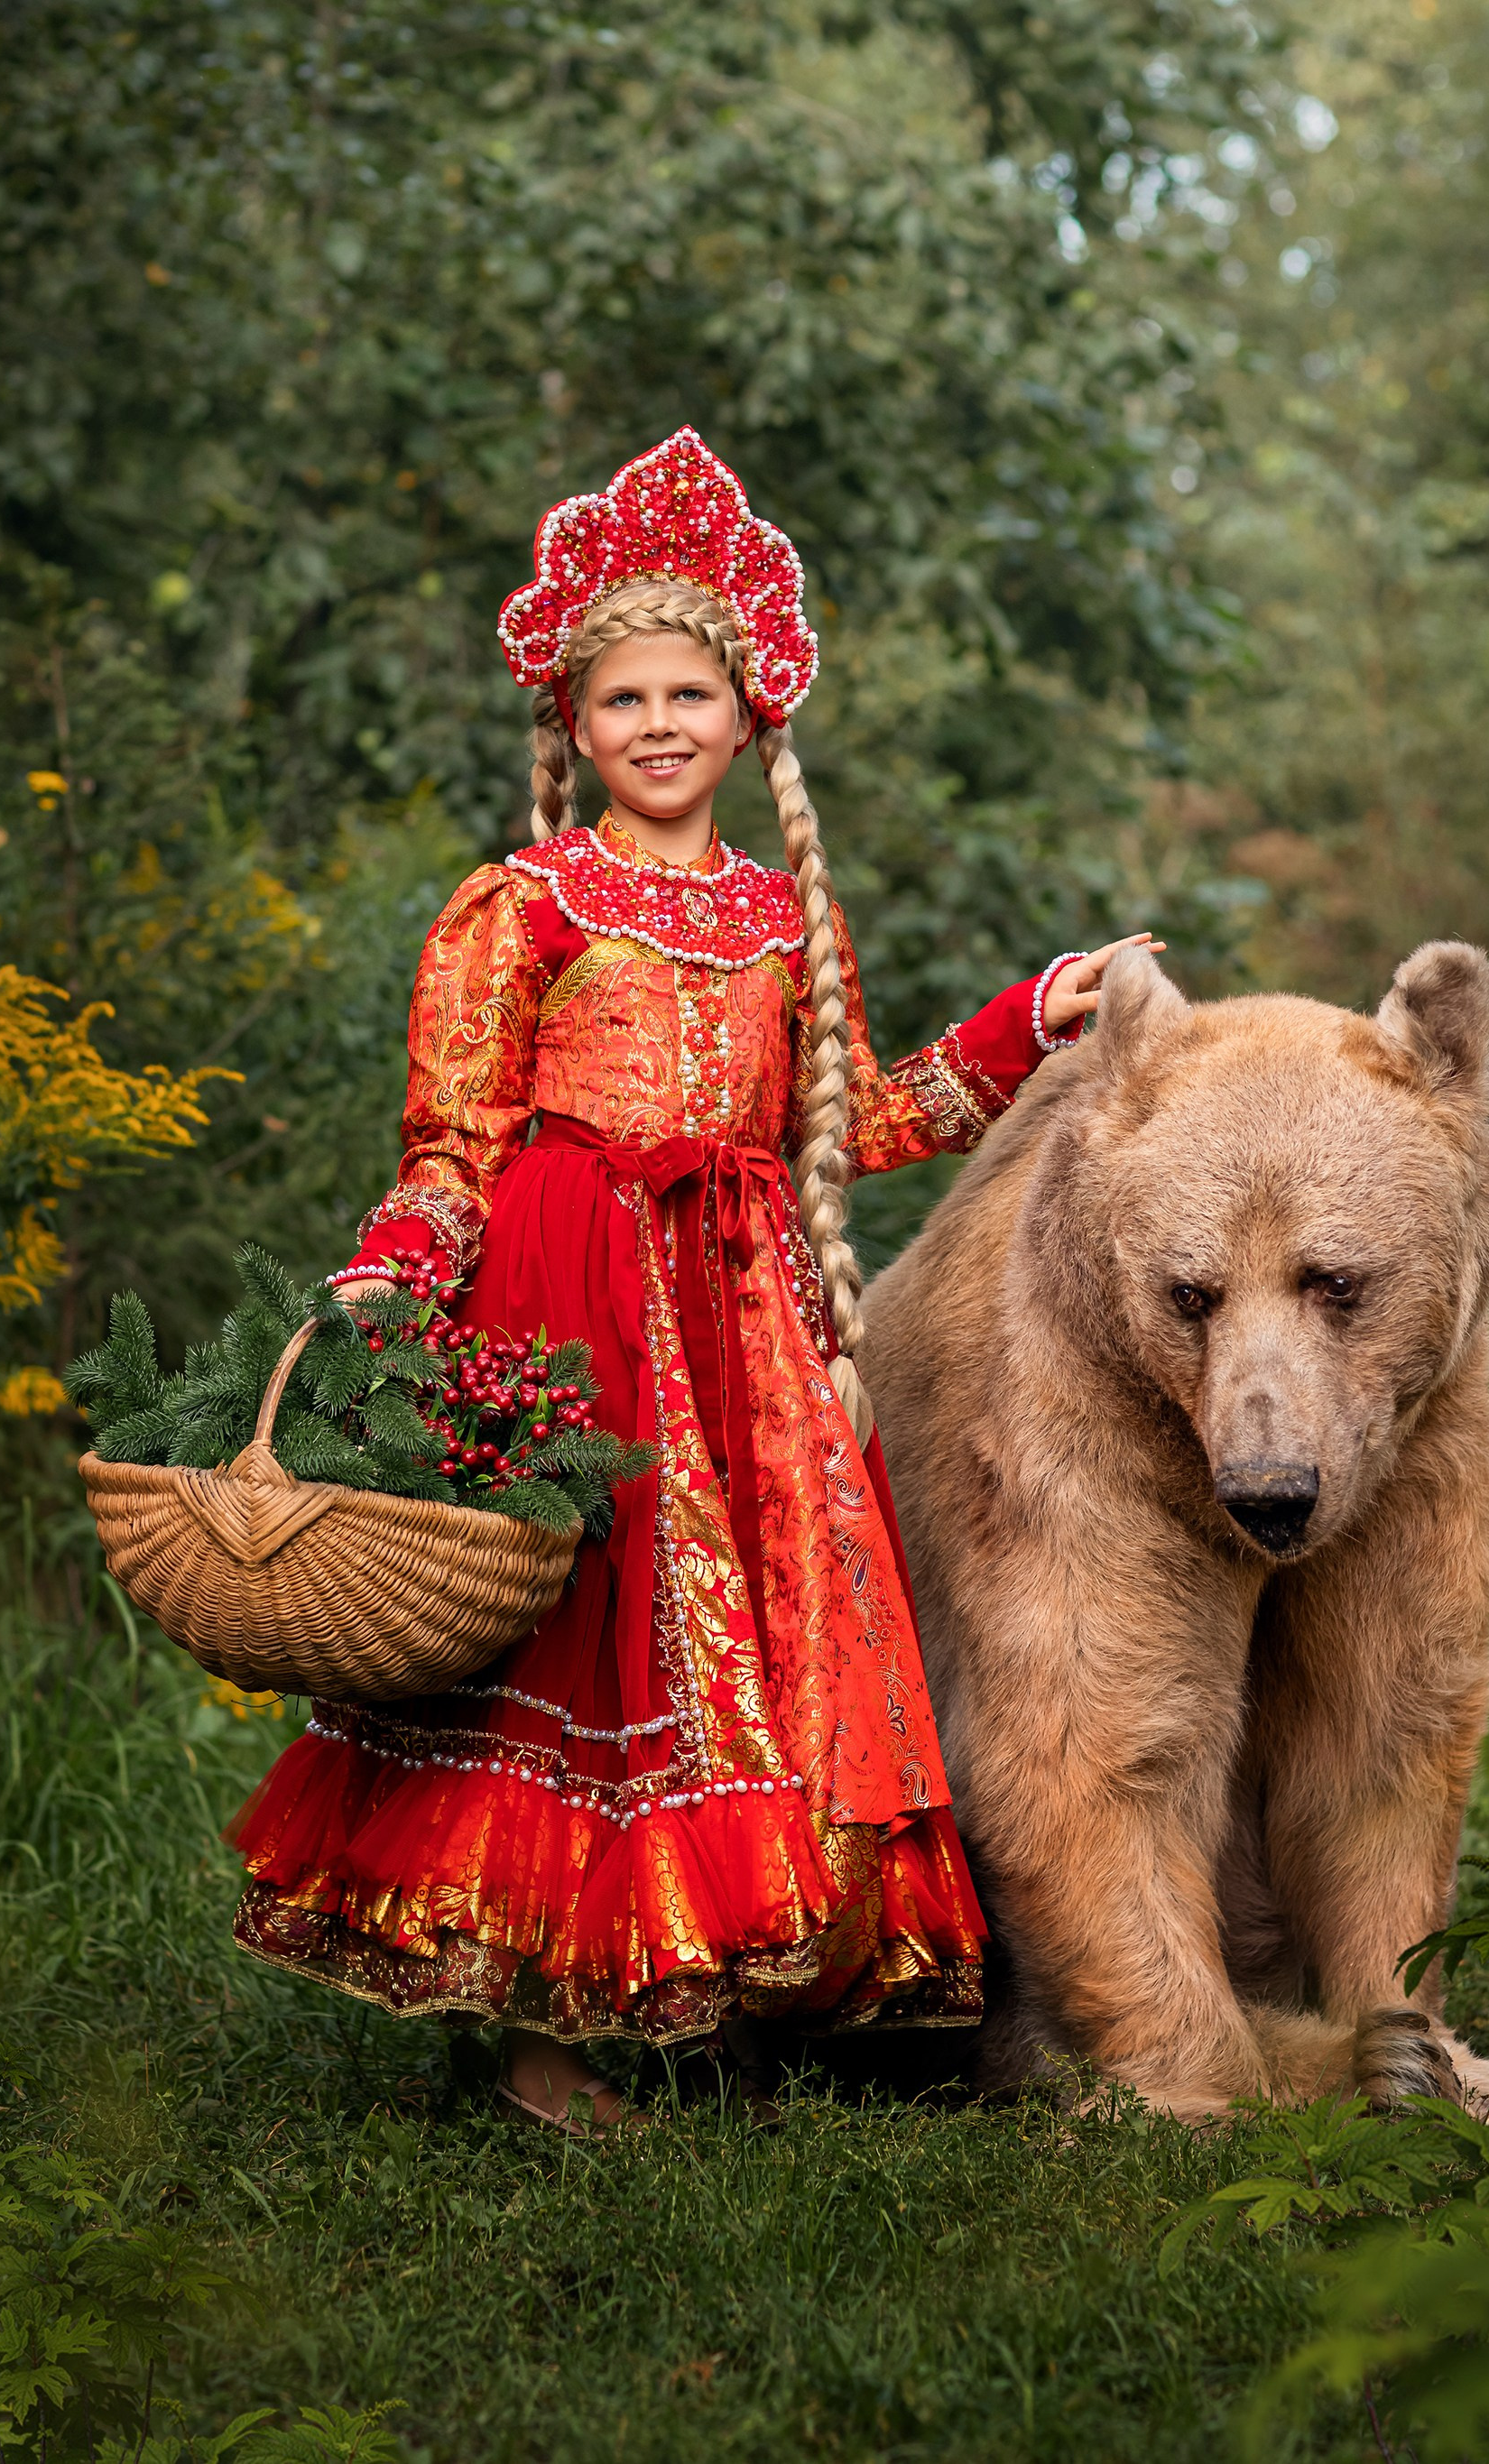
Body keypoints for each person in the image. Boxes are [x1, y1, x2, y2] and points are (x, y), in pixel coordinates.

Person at [227, 429, 1155, 2131]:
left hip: (748, 1324)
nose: (658, 725)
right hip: (568, 1307)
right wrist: (394, 1278)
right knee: (582, 1650)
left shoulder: (783, 920)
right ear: (575, 728)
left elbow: (852, 1126)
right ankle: (544, 2035)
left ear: (747, 716)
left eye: (688, 696)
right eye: (624, 701)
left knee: (761, 1661)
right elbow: (453, 1142)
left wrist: (1032, 1017)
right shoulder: (520, 906)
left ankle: (713, 1985)